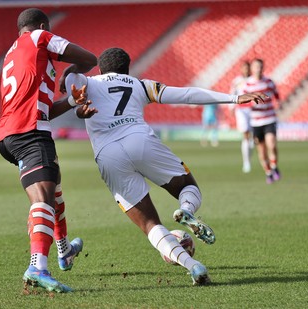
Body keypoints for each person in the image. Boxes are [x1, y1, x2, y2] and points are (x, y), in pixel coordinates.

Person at [61, 48, 267, 285]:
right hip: (140, 140)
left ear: (100, 68)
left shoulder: (87, 82)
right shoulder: (140, 85)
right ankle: (186, 208)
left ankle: (194, 267)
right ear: (127, 68)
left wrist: (71, 77)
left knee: (150, 224)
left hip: (107, 154)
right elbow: (186, 95)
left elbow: (69, 76)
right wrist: (232, 98)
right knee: (187, 186)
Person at [0, 8, 97, 293]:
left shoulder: (12, 55)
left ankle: (63, 250)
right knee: (42, 197)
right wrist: (71, 75)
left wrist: (71, 101)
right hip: (29, 133)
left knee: (54, 188)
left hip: (10, 133)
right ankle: (37, 266)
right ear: (41, 26)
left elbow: (46, 109)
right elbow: (90, 60)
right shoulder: (39, 37)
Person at [242, 58, 281, 184]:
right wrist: (250, 103)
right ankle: (268, 172)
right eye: (256, 66)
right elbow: (241, 102)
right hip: (256, 121)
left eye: (260, 66)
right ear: (252, 68)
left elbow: (276, 94)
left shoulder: (269, 82)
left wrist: (278, 103)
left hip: (269, 118)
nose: (258, 69)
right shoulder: (247, 84)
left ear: (263, 68)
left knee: (272, 144)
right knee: (262, 150)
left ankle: (274, 166)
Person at [229, 61, 253, 173]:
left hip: (253, 109)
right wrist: (231, 108)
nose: (246, 70)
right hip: (241, 109)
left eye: (248, 68)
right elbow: (232, 94)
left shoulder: (253, 80)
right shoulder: (237, 81)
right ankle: (246, 162)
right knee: (246, 134)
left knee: (253, 137)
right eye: (244, 68)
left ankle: (249, 155)